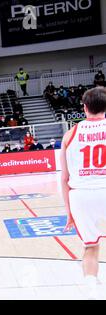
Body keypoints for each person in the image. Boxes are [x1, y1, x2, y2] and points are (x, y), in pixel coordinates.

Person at [61, 87, 106, 299]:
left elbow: (64, 179)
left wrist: (69, 211)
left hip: (81, 195)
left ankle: (91, 289)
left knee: (91, 247)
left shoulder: (70, 134)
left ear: (84, 108)